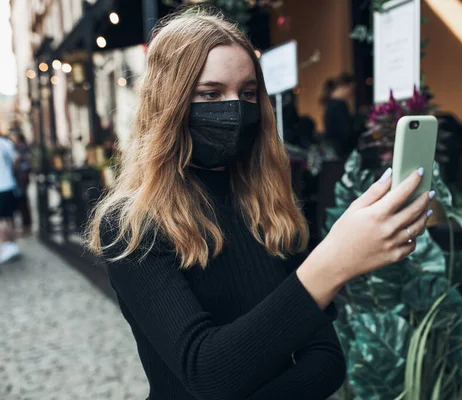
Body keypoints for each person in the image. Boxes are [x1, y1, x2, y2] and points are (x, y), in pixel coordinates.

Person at [86, 7, 434, 400]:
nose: (235, 108)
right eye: (211, 94)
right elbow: (207, 372)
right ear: (170, 103)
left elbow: (326, 360)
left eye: (248, 93)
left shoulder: (268, 205)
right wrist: (333, 262)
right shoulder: (130, 225)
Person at [322, 73, 359, 159]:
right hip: (341, 151)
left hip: (335, 149)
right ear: (344, 86)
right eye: (351, 89)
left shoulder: (329, 103)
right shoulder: (339, 105)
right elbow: (346, 131)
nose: (351, 94)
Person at [0, 134, 21, 263]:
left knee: (2, 220)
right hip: (9, 184)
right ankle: (11, 245)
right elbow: (16, 159)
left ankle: (8, 245)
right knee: (9, 218)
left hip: (2, 186)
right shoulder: (5, 142)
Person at [9, 129, 32, 235]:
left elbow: (23, 164)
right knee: (21, 202)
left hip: (21, 179)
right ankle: (25, 225)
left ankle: (26, 226)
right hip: (20, 178)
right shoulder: (19, 148)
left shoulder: (21, 149)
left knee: (22, 202)